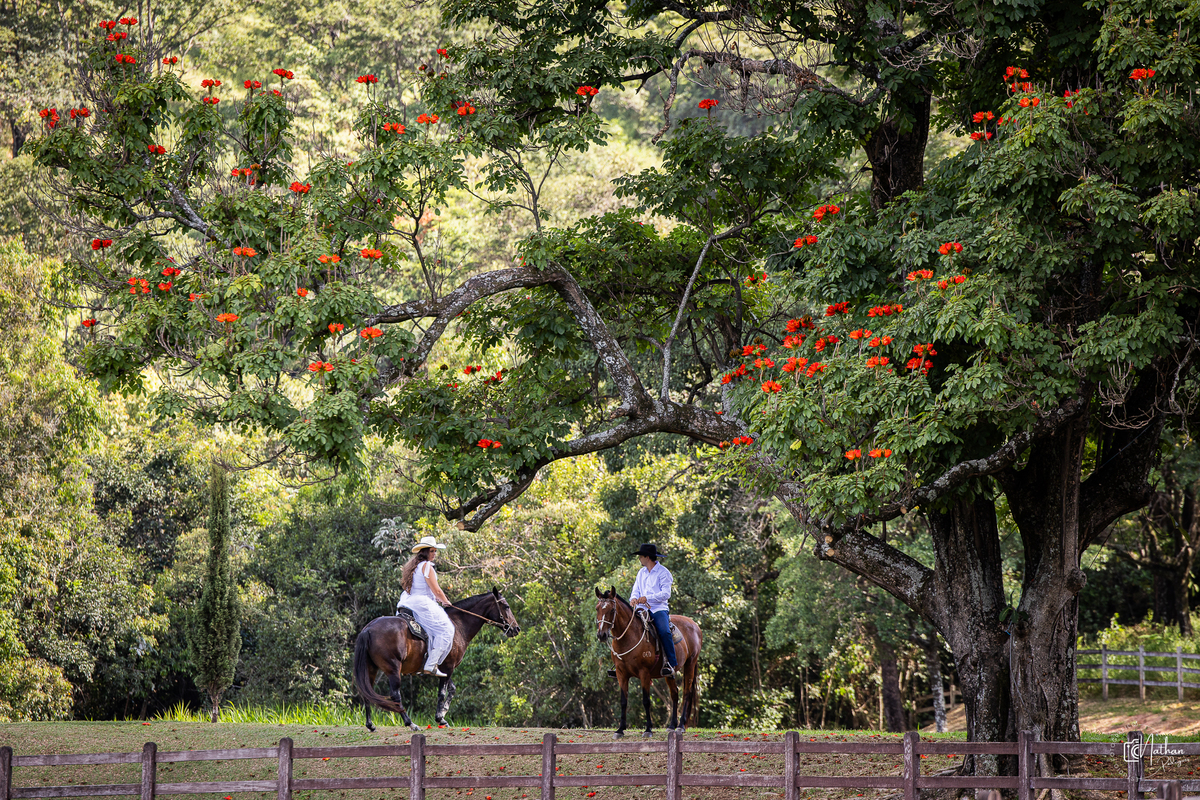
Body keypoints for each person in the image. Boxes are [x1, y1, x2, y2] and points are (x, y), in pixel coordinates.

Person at [397, 535, 455, 678]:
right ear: (424, 552)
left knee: (428, 632)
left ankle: (420, 660)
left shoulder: (414, 566)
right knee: (447, 630)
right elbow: (437, 591)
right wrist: (446, 602)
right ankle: (431, 664)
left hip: (407, 602)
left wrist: (438, 599)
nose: (434, 554)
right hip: (421, 604)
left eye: (435, 551)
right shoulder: (427, 566)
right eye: (432, 551)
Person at [629, 542, 679, 677]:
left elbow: (666, 594)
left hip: (658, 608)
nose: (639, 559)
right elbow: (636, 590)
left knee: (664, 631)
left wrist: (648, 598)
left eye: (641, 556)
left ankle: (671, 663)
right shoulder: (641, 572)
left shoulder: (663, 572)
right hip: (641, 608)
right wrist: (633, 598)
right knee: (626, 627)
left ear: (647, 557)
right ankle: (622, 662)